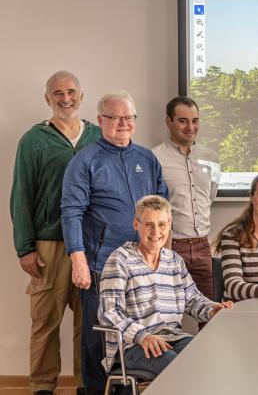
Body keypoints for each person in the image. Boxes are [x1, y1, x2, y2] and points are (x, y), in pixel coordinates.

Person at [62, 91, 168, 395]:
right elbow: (70, 212)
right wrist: (77, 259)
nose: (123, 123)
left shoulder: (146, 158)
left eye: (129, 117)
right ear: (100, 121)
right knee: (100, 339)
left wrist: (162, 255)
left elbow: (162, 206)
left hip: (141, 266)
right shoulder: (85, 160)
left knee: (135, 335)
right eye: (115, 117)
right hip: (101, 266)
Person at [10, 71, 100, 395]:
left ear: (82, 96)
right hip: (49, 246)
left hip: (90, 246)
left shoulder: (98, 137)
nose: (66, 98)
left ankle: (84, 384)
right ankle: (43, 387)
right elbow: (21, 195)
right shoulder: (33, 141)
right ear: (47, 98)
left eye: (72, 91)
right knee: (45, 323)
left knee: (88, 325)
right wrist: (25, 248)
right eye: (58, 93)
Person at [98, 195, 232, 381]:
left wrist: (212, 309)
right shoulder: (120, 260)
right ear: (136, 225)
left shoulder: (174, 261)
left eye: (161, 224)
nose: (155, 231)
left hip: (173, 338)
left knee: (208, 359)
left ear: (170, 225)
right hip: (133, 345)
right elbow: (109, 312)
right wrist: (142, 336)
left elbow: (193, 299)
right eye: (148, 224)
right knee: (181, 370)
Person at [152, 97, 220, 303]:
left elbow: (211, 196)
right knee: (168, 314)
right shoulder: (153, 157)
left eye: (195, 120)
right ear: (168, 121)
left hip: (203, 247)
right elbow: (152, 207)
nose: (190, 127)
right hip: (170, 247)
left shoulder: (212, 157)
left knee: (210, 313)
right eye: (183, 121)